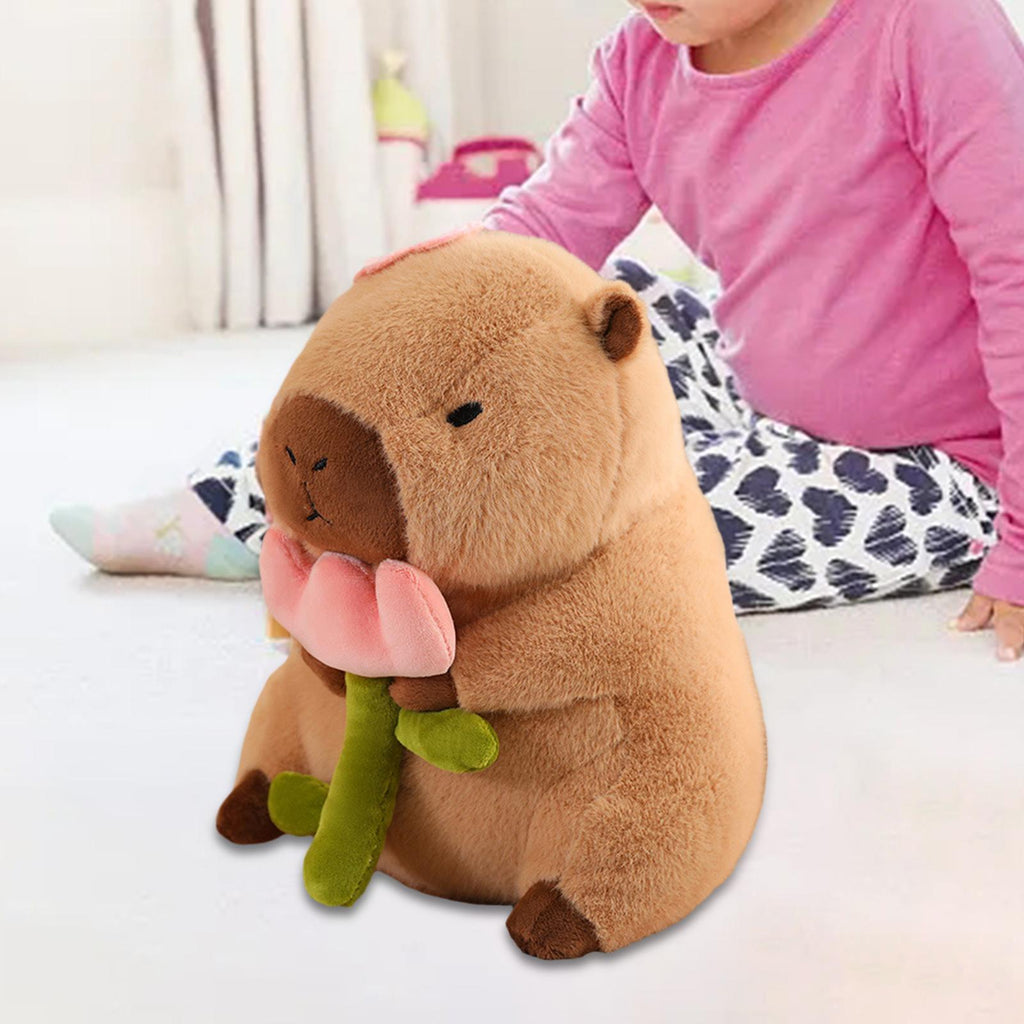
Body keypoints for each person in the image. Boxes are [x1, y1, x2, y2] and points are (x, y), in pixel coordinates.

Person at [51, 0, 1024, 659]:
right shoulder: (643, 59)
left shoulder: (927, 27)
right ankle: (239, 501)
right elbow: (543, 233)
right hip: (753, 390)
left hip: (945, 466)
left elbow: (1016, 272)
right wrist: (419, 304)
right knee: (572, 317)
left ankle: (419, 555)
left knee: (655, 545)